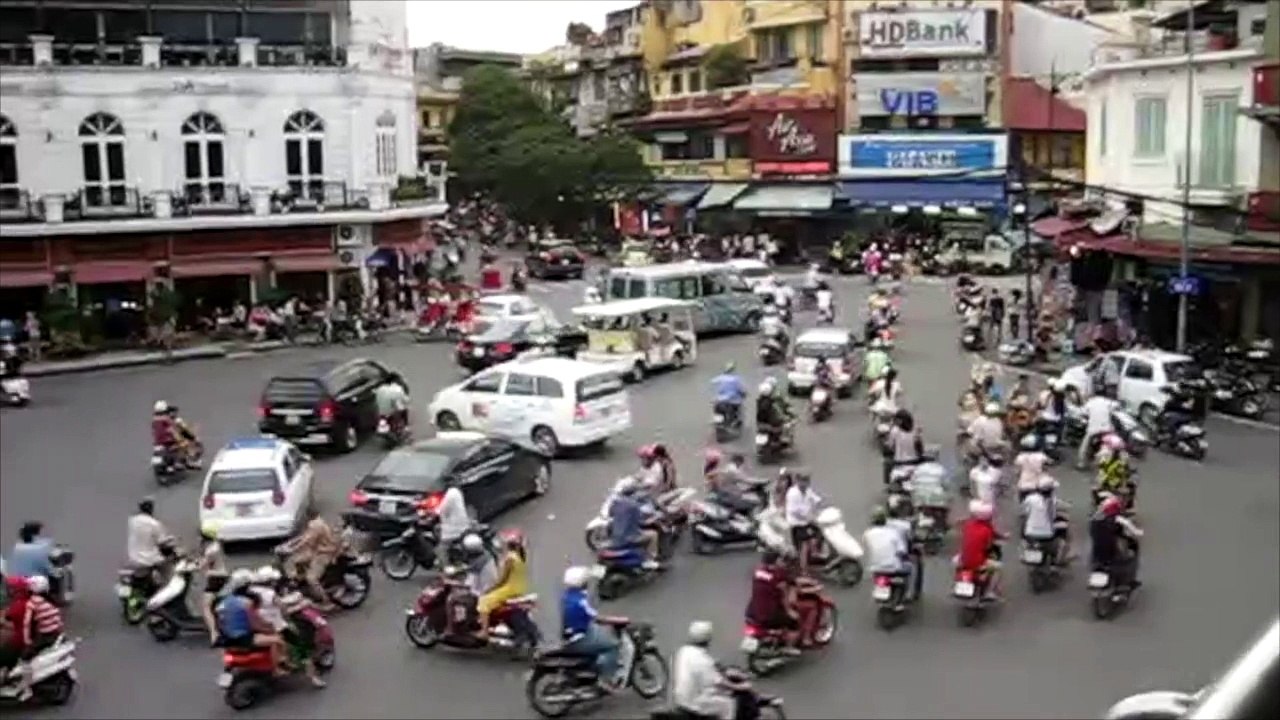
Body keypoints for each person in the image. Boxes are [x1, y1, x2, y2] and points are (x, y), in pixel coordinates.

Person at [216, 570, 291, 680]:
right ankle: (276, 670)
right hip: (243, 638)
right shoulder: (246, 603)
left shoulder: (223, 603)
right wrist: (269, 628)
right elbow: (256, 625)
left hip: (227, 638)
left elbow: (220, 623)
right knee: (277, 640)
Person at [560, 566, 623, 693]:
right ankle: (605, 680)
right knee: (614, 645)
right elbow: (597, 617)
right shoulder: (579, 602)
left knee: (601, 633)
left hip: (574, 632)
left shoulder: (568, 596)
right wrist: (617, 620)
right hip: (580, 638)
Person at [672, 621, 743, 720]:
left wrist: (717, 665)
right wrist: (739, 687)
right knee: (728, 704)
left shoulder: (683, 650)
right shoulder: (703, 660)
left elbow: (703, 667)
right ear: (708, 639)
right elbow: (718, 682)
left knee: (713, 692)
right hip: (693, 701)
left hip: (681, 697)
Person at [745, 550, 802, 654]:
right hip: (768, 614)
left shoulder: (757, 571)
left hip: (752, 612)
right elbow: (784, 595)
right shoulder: (778, 575)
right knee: (794, 622)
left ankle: (776, 637)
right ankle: (789, 648)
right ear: (776, 561)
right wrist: (790, 611)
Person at [476, 529, 529, 640]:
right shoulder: (520, 556)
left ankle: (484, 631)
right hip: (519, 588)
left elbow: (502, 580)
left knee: (483, 602)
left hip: (510, 589)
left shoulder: (510, 558)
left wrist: (490, 589)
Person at [285, 510, 341, 612]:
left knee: (311, 578)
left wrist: (292, 549)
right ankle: (301, 581)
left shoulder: (316, 525)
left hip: (324, 553)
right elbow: (304, 536)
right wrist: (290, 544)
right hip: (316, 550)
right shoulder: (315, 523)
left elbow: (307, 540)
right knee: (298, 561)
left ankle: (327, 602)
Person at [1089, 495, 1143, 588]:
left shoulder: (1094, 519)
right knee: (1127, 559)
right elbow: (1134, 531)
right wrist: (1139, 533)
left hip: (1097, 550)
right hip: (1112, 549)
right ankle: (1127, 581)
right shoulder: (1118, 519)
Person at [608, 478, 661, 570]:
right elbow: (640, 521)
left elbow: (610, 513)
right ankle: (651, 559)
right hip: (630, 537)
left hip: (616, 537)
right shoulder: (634, 506)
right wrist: (652, 519)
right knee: (653, 534)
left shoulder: (616, 503)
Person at [862, 507, 911, 608]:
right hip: (893, 568)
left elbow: (867, 549)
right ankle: (901, 600)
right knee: (908, 569)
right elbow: (902, 551)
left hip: (875, 568)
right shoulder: (894, 533)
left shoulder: (867, 534)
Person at [957, 500, 1004, 600]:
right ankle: (989, 591)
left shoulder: (968, 525)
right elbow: (988, 546)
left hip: (963, 560)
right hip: (978, 562)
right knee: (998, 568)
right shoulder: (987, 529)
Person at [1022, 476, 1071, 566]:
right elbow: (1061, 510)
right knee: (1065, 531)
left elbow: (1026, 512)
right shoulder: (1052, 500)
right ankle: (1058, 558)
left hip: (1030, 533)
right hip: (1047, 534)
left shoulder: (1030, 499)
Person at [783, 470, 821, 575]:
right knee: (804, 545)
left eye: (807, 481)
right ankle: (803, 569)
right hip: (797, 524)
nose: (805, 483)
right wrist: (808, 517)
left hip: (807, 521)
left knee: (819, 534)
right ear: (798, 481)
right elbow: (794, 511)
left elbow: (814, 498)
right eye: (803, 481)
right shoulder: (792, 494)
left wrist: (818, 502)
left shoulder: (807, 490)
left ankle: (814, 554)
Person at [126, 497, 170, 579]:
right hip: (148, 559)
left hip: (133, 557)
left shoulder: (132, 521)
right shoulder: (155, 524)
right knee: (167, 566)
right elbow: (162, 542)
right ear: (151, 509)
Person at [198, 522, 228, 644]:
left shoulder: (210, 550)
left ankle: (213, 634)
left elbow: (202, 566)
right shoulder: (217, 545)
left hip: (215, 579)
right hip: (222, 576)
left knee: (205, 607)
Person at [1078, 392, 1117, 469]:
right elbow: (1115, 407)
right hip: (1106, 428)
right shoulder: (1107, 402)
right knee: (1112, 443)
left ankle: (1081, 463)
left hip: (1093, 429)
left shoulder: (1090, 403)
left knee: (1085, 445)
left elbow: (1083, 412)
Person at [436, 485, 472, 563]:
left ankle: (446, 566)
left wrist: (435, 511)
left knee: (442, 548)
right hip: (463, 523)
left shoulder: (450, 494)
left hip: (454, 527)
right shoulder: (456, 492)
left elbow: (443, 509)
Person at [1014, 434, 1050, 501]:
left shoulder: (1020, 457)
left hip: (1024, 486)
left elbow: (1017, 472)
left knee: (1024, 505)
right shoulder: (1042, 456)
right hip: (1039, 485)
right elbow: (1046, 469)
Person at [710, 362, 747, 427]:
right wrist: (744, 394)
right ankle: (734, 420)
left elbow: (712, 382)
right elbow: (741, 389)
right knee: (738, 410)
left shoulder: (720, 377)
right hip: (733, 400)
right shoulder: (736, 379)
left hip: (719, 400)